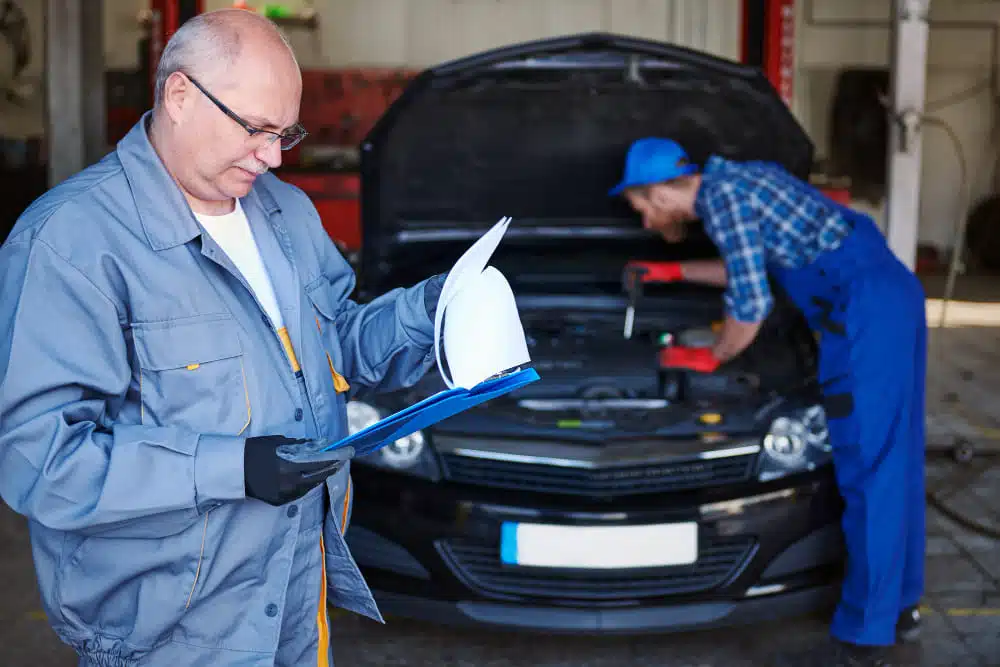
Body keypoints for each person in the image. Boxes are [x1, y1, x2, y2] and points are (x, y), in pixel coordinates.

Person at [0, 9, 444, 667]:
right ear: (179, 96)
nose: (272, 156)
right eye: (256, 129)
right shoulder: (71, 244)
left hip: (295, 593)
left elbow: (340, 341)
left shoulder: (286, 212)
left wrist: (435, 312)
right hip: (167, 636)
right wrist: (232, 466)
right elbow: (41, 461)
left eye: (285, 132)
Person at [609, 138, 926, 667]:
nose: (645, 221)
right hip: (888, 297)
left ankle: (867, 635)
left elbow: (751, 306)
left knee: (869, 469)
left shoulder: (723, 200)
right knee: (895, 461)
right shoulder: (737, 183)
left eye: (642, 207)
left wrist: (713, 356)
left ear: (663, 190)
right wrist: (673, 273)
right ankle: (900, 605)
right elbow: (752, 266)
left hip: (864, 313)